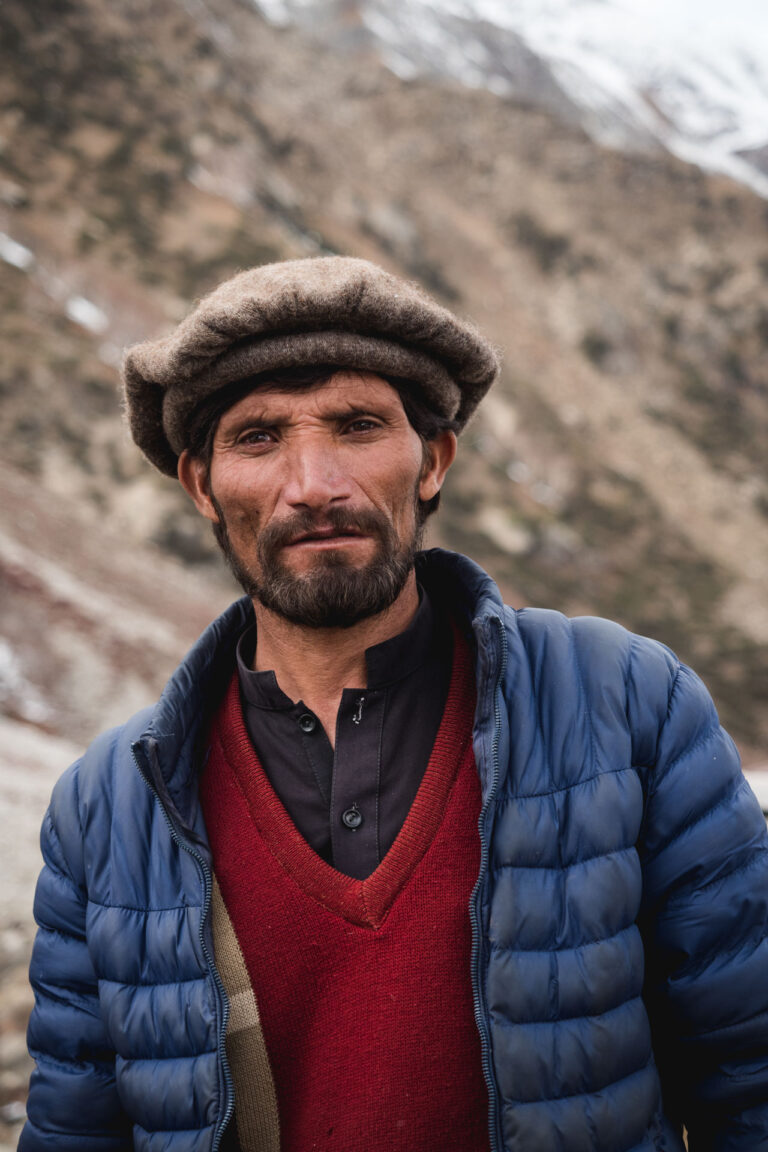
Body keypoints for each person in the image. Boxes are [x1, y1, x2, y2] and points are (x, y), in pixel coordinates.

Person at [20, 256, 768, 1152]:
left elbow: (750, 1073)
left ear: (433, 461)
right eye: (258, 438)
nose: (313, 484)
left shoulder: (623, 703)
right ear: (201, 486)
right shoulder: (108, 808)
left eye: (359, 425)